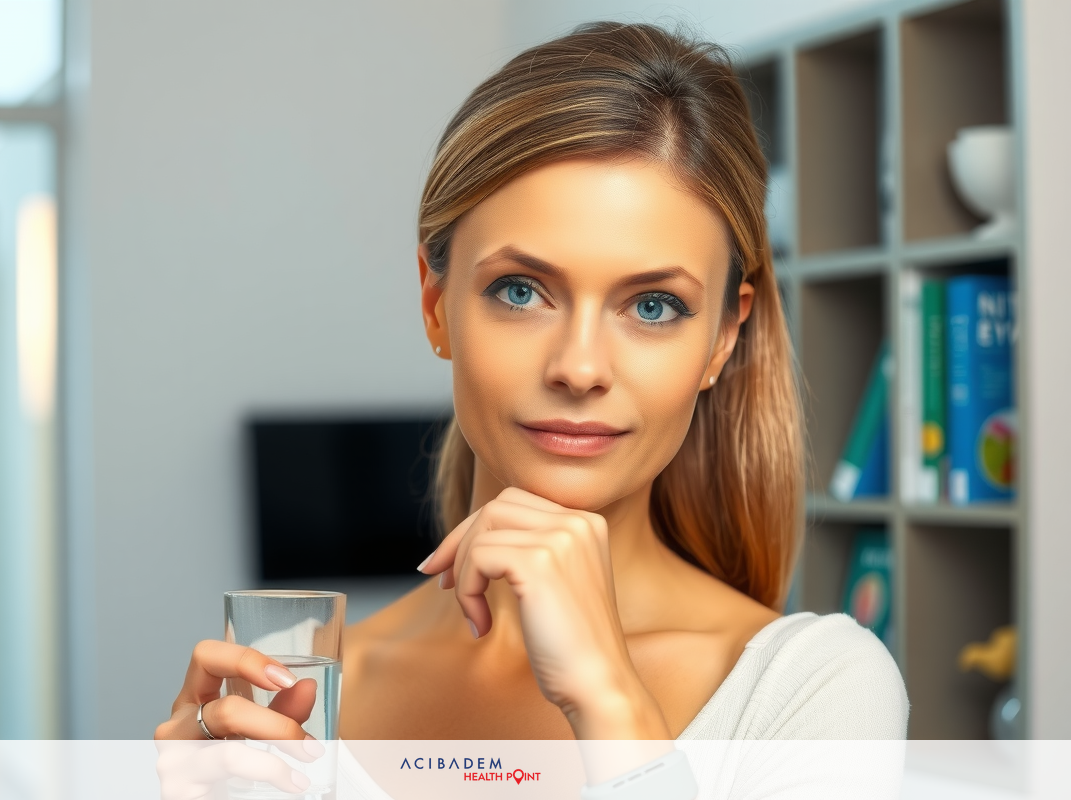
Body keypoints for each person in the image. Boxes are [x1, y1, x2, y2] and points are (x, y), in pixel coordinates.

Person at [155, 20, 908, 798]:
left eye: (653, 305)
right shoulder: (300, 691)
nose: (579, 368)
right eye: (520, 291)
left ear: (722, 337)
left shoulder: (814, 692)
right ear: (436, 304)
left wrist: (609, 702)